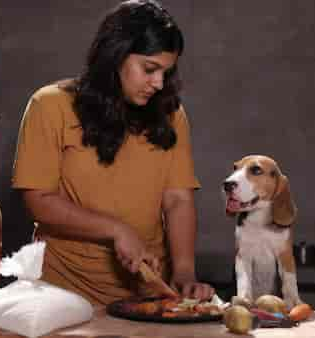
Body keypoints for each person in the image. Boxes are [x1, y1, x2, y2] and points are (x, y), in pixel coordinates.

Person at [12, 0, 214, 306]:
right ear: (115, 54)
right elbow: (39, 201)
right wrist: (117, 230)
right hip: (60, 293)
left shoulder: (171, 115)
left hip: (146, 295)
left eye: (166, 72)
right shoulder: (49, 105)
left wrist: (185, 272)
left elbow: (177, 199)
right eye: (149, 69)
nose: (159, 83)